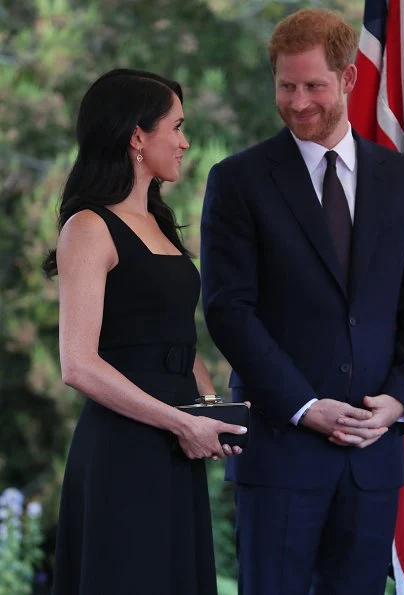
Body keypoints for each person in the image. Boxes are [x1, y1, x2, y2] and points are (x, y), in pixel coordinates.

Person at [200, 9, 404, 595]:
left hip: (373, 455)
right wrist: (305, 406)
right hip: (281, 456)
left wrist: (398, 402)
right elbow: (229, 310)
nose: (298, 101)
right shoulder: (238, 180)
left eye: (313, 86)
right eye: (286, 86)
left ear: (349, 80)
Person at [44, 68, 247, 595]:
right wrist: (180, 422)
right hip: (123, 449)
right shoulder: (87, 227)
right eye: (176, 127)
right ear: (138, 136)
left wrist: (207, 410)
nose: (184, 142)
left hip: (175, 447)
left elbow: (177, 339)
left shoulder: (157, 220)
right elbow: (78, 365)